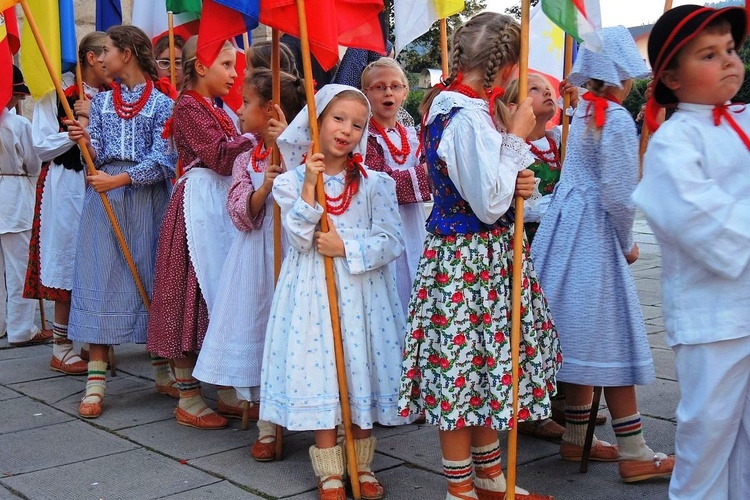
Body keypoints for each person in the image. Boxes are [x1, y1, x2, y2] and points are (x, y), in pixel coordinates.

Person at [397, 12, 560, 500]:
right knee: (459, 373)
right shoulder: (463, 116)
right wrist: (515, 143)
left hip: (483, 260)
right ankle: (460, 489)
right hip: (467, 260)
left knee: (486, 370)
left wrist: (519, 175)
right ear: (506, 66)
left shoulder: (471, 109)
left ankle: (490, 478)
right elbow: (488, 205)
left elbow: (497, 185)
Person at [531, 26, 675, 483]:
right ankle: (634, 449)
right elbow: (617, 193)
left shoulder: (582, 112)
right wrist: (627, 241)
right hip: (593, 237)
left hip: (563, 235)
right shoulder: (610, 117)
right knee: (613, 335)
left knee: (577, 332)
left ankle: (577, 435)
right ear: (620, 75)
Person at [261, 85, 406, 500]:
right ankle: (328, 469)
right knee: (322, 368)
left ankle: (361, 463)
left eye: (357, 124)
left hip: (364, 294)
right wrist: (310, 183)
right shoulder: (289, 183)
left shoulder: (377, 183)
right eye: (338, 119)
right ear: (317, 122)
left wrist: (348, 247)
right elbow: (301, 239)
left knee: (359, 366)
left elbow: (393, 240)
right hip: (313, 292)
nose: (347, 130)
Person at [633, 5, 750, 498]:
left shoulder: (745, 119)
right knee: (709, 432)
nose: (727, 61)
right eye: (708, 54)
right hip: (713, 318)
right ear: (672, 79)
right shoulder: (674, 141)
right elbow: (695, 216)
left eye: (730, 49)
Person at [65, 25, 177, 419]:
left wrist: (122, 179)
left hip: (145, 200)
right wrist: (85, 142)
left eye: (108, 49)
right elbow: (91, 157)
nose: (102, 56)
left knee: (150, 275)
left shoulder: (164, 105)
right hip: (105, 201)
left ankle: (162, 368)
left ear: (127, 53)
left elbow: (165, 159)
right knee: (102, 277)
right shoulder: (102, 103)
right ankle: (95, 380)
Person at [193, 68, 305, 459]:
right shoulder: (247, 156)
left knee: (296, 331)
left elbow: (318, 196)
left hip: (295, 254)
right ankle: (267, 425)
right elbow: (240, 212)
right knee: (261, 330)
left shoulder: (307, 148)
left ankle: (319, 416)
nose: (238, 111)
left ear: (270, 109)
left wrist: (290, 160)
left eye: (246, 103)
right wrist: (265, 188)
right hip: (256, 256)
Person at [146, 36, 253, 430]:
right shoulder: (189, 105)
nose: (234, 73)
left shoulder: (215, 107)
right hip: (198, 209)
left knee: (216, 291)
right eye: (226, 64)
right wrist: (258, 137)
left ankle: (224, 387)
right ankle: (188, 395)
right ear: (202, 66)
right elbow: (221, 157)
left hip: (216, 205)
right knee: (189, 291)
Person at [26, 31, 110, 375]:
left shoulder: (110, 97)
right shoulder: (56, 95)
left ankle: (96, 342)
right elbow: (40, 145)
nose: (114, 63)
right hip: (66, 186)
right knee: (68, 258)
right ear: (91, 57)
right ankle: (61, 346)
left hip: (103, 185)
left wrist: (97, 120)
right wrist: (73, 133)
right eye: (108, 55)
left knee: (99, 263)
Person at [500, 74, 578, 442]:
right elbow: (524, 208)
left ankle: (561, 399)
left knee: (559, 324)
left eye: (548, 88)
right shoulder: (513, 150)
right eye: (534, 89)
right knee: (528, 328)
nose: (546, 91)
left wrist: (577, 108)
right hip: (529, 246)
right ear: (513, 107)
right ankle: (529, 408)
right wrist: (563, 204)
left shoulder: (561, 140)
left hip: (564, 246)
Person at [361, 57, 430, 316]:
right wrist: (425, 173)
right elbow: (381, 183)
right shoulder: (365, 139)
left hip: (414, 225)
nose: (388, 92)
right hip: (382, 226)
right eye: (379, 87)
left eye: (395, 86)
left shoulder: (414, 135)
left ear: (405, 92)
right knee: (392, 286)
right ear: (366, 93)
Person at [1, 66, 45, 347]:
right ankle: (20, 330)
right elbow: (34, 163)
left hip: (10, 193)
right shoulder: (18, 125)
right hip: (13, 196)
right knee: (19, 269)